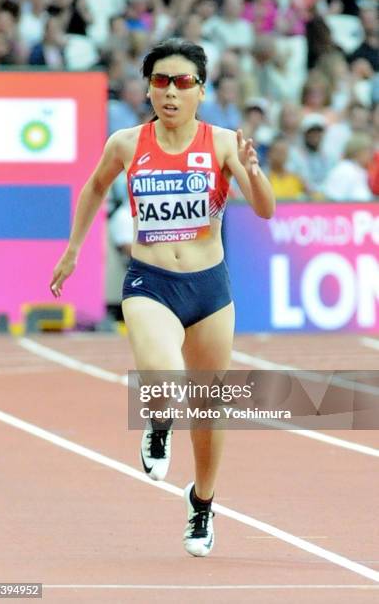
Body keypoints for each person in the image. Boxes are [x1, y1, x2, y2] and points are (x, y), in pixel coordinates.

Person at [50, 38, 274, 557]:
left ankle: (202, 503)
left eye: (182, 82)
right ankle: (157, 422)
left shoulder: (222, 143)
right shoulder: (127, 143)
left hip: (210, 289)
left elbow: (265, 210)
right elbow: (94, 187)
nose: (170, 92)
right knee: (163, 376)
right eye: (160, 81)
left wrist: (254, 171)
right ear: (149, 89)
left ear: (200, 89)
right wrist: (73, 249)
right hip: (151, 283)